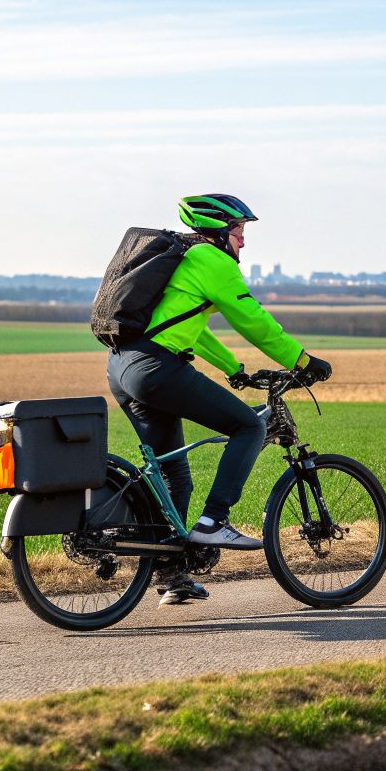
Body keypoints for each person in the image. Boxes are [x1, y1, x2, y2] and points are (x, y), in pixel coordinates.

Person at [105, 193, 332, 605]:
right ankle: (214, 520)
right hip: (157, 370)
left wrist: (232, 368)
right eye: (239, 231)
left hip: (123, 367)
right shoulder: (214, 262)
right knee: (250, 424)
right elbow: (253, 319)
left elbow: (192, 327)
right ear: (218, 231)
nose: (243, 242)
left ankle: (172, 572)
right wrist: (301, 359)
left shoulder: (186, 260)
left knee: (173, 474)